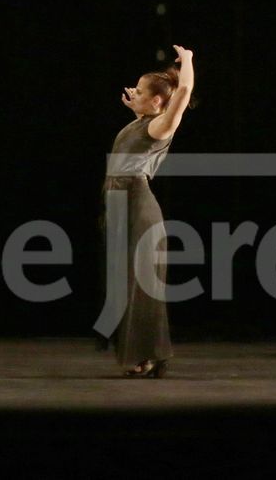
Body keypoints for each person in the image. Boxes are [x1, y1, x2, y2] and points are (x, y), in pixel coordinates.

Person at [101, 45, 196, 378]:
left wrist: (187, 60)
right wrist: (137, 109)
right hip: (120, 204)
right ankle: (145, 352)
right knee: (127, 283)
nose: (133, 93)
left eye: (140, 92)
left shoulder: (161, 126)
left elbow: (183, 92)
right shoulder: (143, 123)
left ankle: (151, 354)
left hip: (137, 203)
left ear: (157, 101)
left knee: (142, 285)